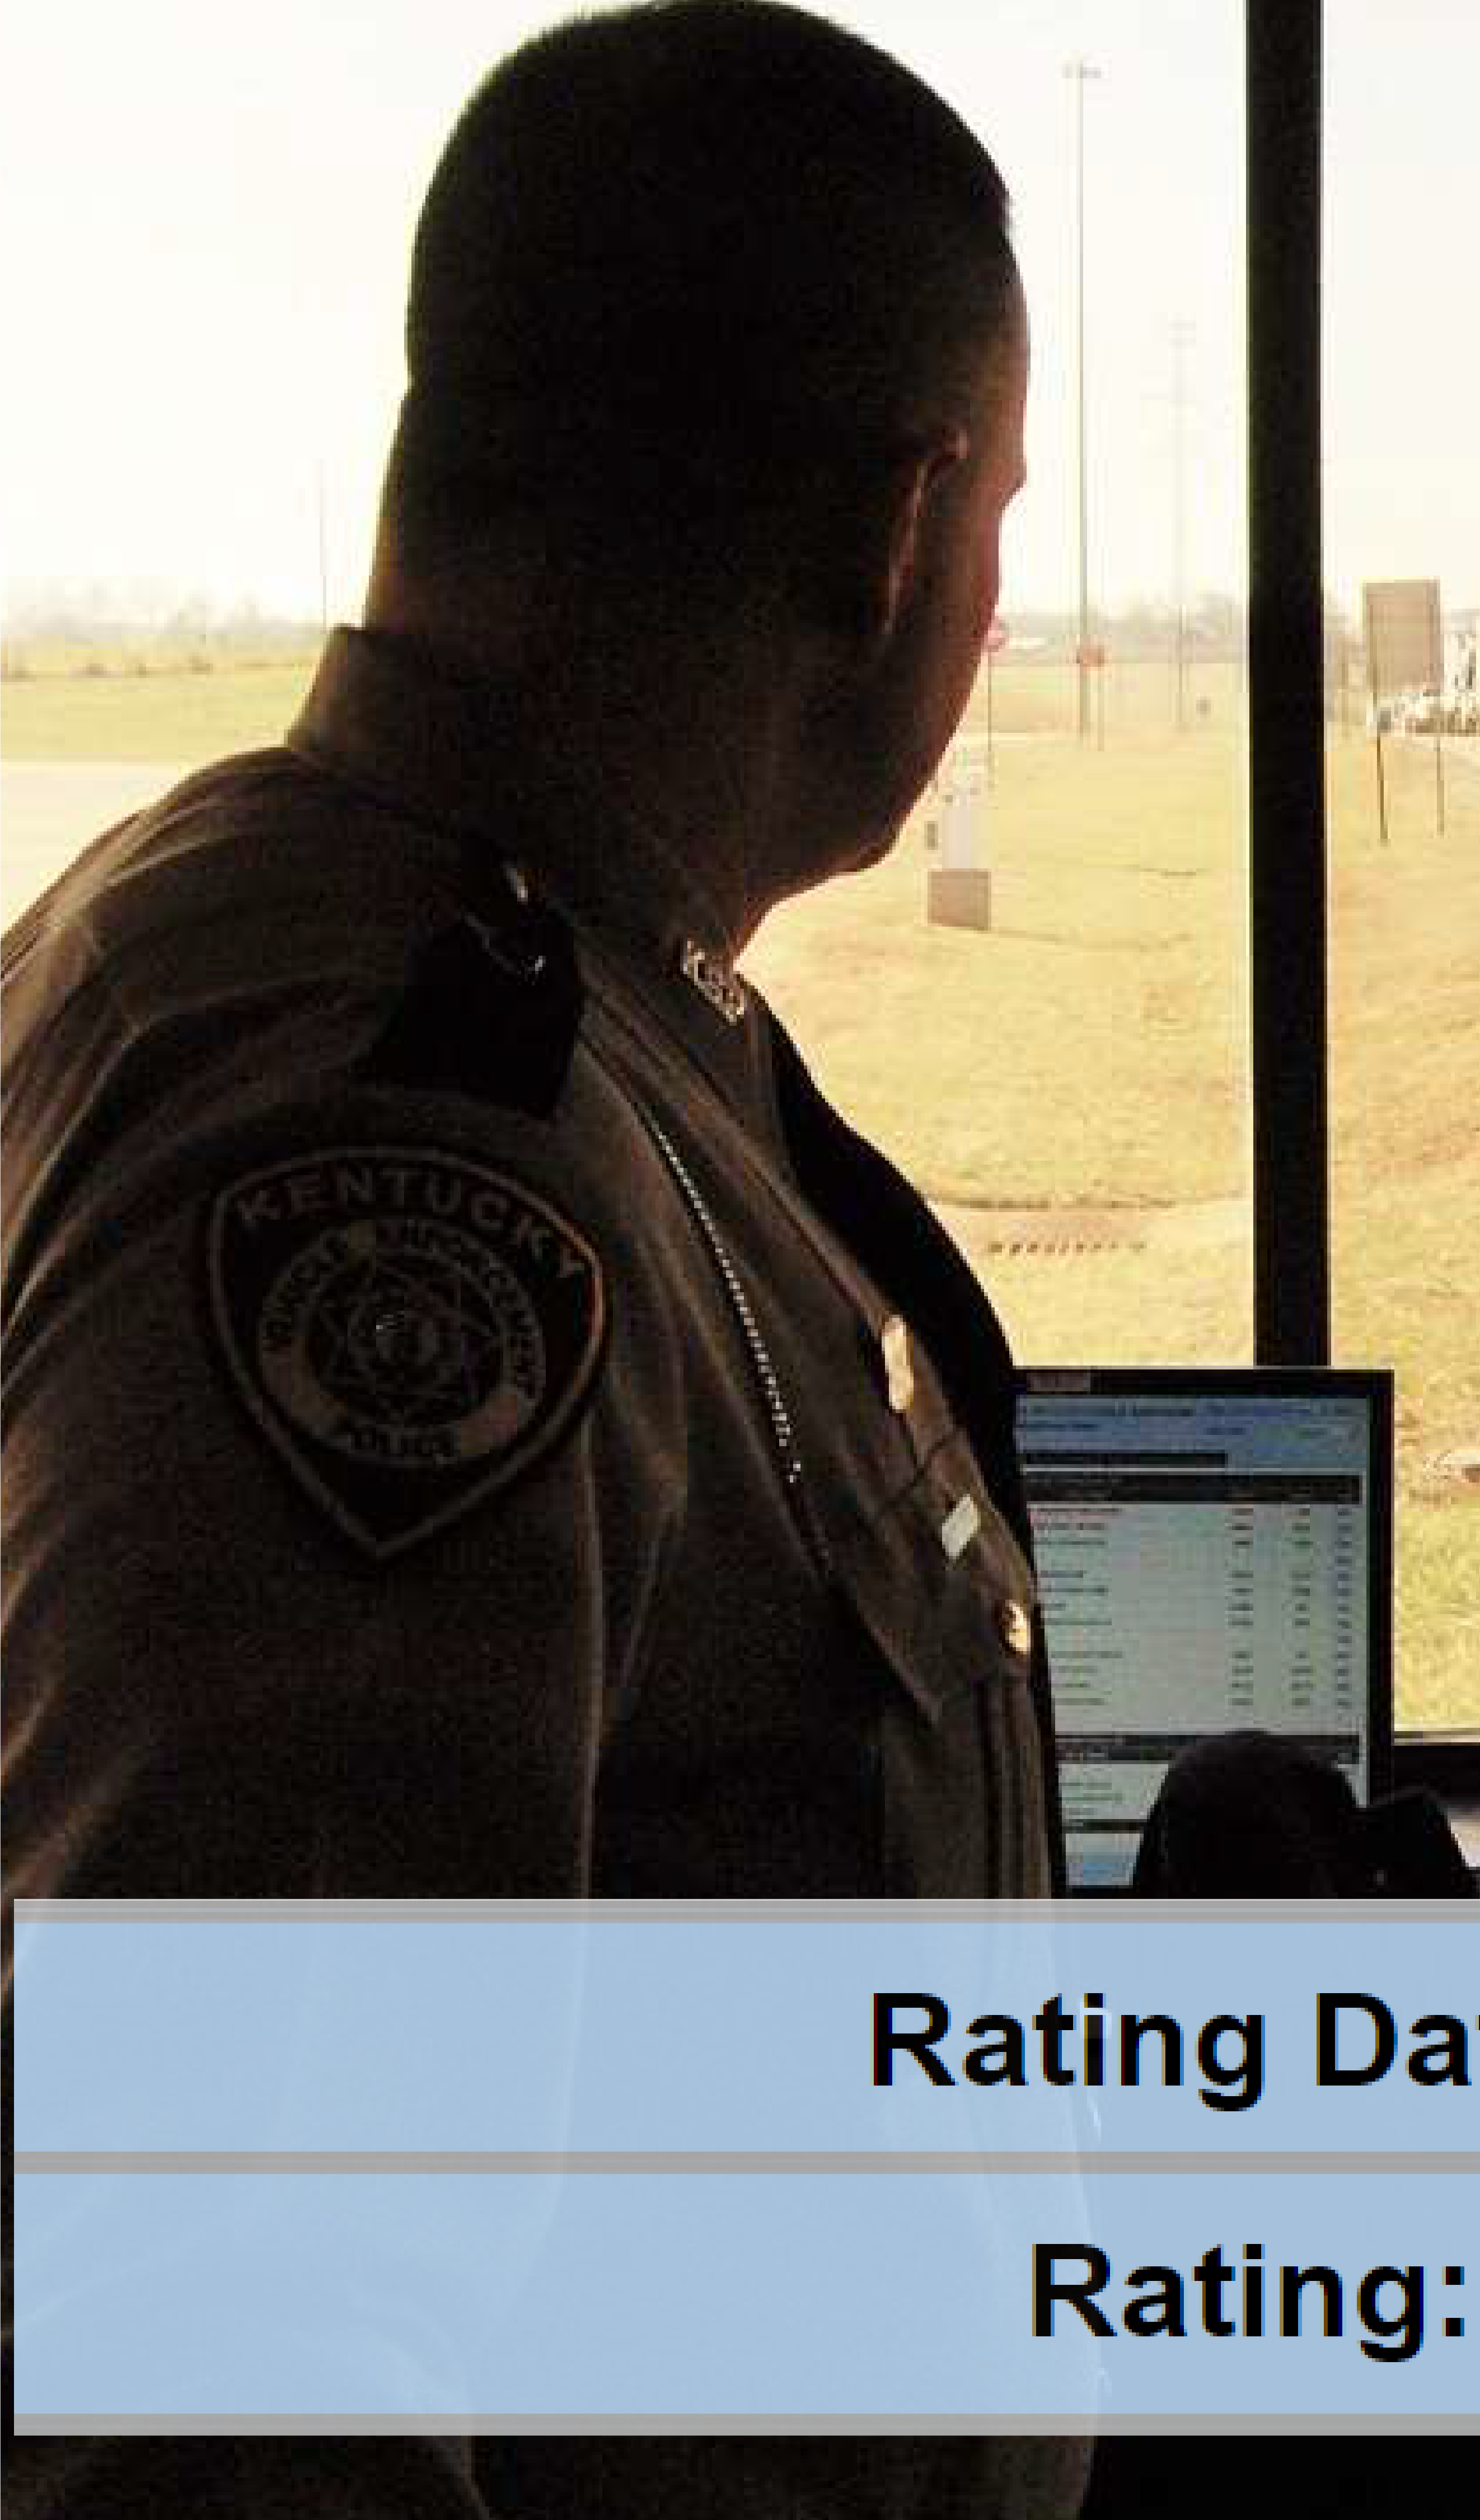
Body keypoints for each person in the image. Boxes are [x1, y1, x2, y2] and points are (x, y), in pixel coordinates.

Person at [0, 6, 1079, 2512]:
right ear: (894, 527)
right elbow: (226, 2381)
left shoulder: (488, 983)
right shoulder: (406, 1137)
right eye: (1002, 517)